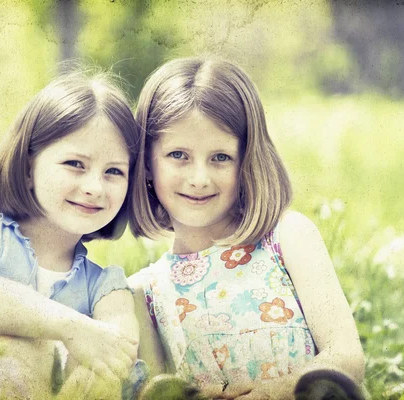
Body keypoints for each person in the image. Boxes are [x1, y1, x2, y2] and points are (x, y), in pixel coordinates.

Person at [128, 57, 365, 400]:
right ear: (148, 163)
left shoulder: (288, 237)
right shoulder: (144, 292)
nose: (199, 178)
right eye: (178, 155)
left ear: (247, 161)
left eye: (220, 157)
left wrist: (269, 394)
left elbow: (346, 357)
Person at [0, 69, 143, 399]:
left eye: (114, 171)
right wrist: (71, 328)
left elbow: (118, 352)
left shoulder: (105, 287)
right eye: (75, 164)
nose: (94, 187)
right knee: (23, 351)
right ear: (28, 167)